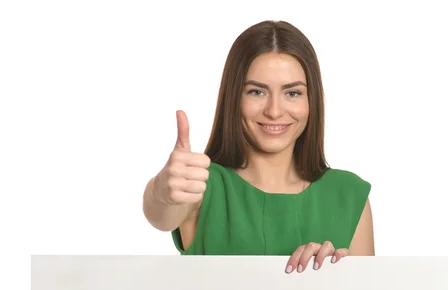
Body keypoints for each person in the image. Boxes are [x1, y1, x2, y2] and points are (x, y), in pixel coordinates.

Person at [143, 20, 375, 273]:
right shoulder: (203, 186)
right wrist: (161, 190)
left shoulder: (349, 195)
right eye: (256, 92)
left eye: (293, 93)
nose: (274, 111)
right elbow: (161, 215)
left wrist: (336, 279)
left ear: (312, 100)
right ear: (234, 97)